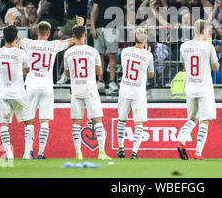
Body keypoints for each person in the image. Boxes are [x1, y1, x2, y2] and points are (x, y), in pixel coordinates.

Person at [19, 17, 83, 159]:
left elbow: (15, 40)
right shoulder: (54, 45)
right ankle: (41, 153)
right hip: (46, 86)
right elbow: (73, 40)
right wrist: (79, 26)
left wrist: (11, 24)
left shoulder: (28, 43)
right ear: (48, 33)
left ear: (37, 32)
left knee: (29, 119)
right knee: (45, 120)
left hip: (30, 85)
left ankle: (27, 152)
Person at [63, 22, 112, 161]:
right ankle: (101, 152)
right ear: (85, 35)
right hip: (90, 88)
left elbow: (67, 74)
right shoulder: (93, 51)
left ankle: (78, 153)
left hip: (76, 89)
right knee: (97, 119)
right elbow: (99, 71)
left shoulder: (68, 53)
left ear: (73, 36)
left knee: (76, 121)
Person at [176, 19, 220, 160]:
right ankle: (198, 153)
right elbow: (216, 68)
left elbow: (184, 67)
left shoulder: (183, 46)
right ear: (204, 31)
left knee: (192, 118)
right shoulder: (209, 47)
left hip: (190, 88)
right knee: (204, 120)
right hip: (204, 88)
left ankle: (181, 140)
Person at [0, 22, 35, 160]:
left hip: (4, 94)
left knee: (4, 123)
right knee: (29, 122)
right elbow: (27, 70)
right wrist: (18, 51)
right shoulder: (21, 53)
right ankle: (26, 153)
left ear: (3, 37)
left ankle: (9, 153)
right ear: (17, 37)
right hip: (19, 93)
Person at [116, 28, 154, 160]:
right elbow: (151, 74)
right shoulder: (148, 55)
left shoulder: (125, 52)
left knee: (121, 120)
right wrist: (148, 55)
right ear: (145, 39)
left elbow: (125, 67)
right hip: (138, 92)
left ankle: (121, 148)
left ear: (134, 38)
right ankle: (134, 152)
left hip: (125, 89)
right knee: (138, 123)